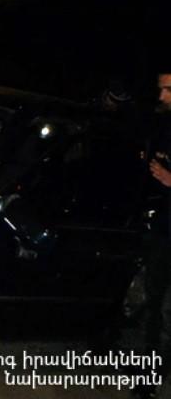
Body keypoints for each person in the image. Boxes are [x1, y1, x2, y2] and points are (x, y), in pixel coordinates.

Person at [138, 73, 171, 399]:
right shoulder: (163, 127)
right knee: (153, 302)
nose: (161, 96)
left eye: (167, 89)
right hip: (162, 229)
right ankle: (147, 375)